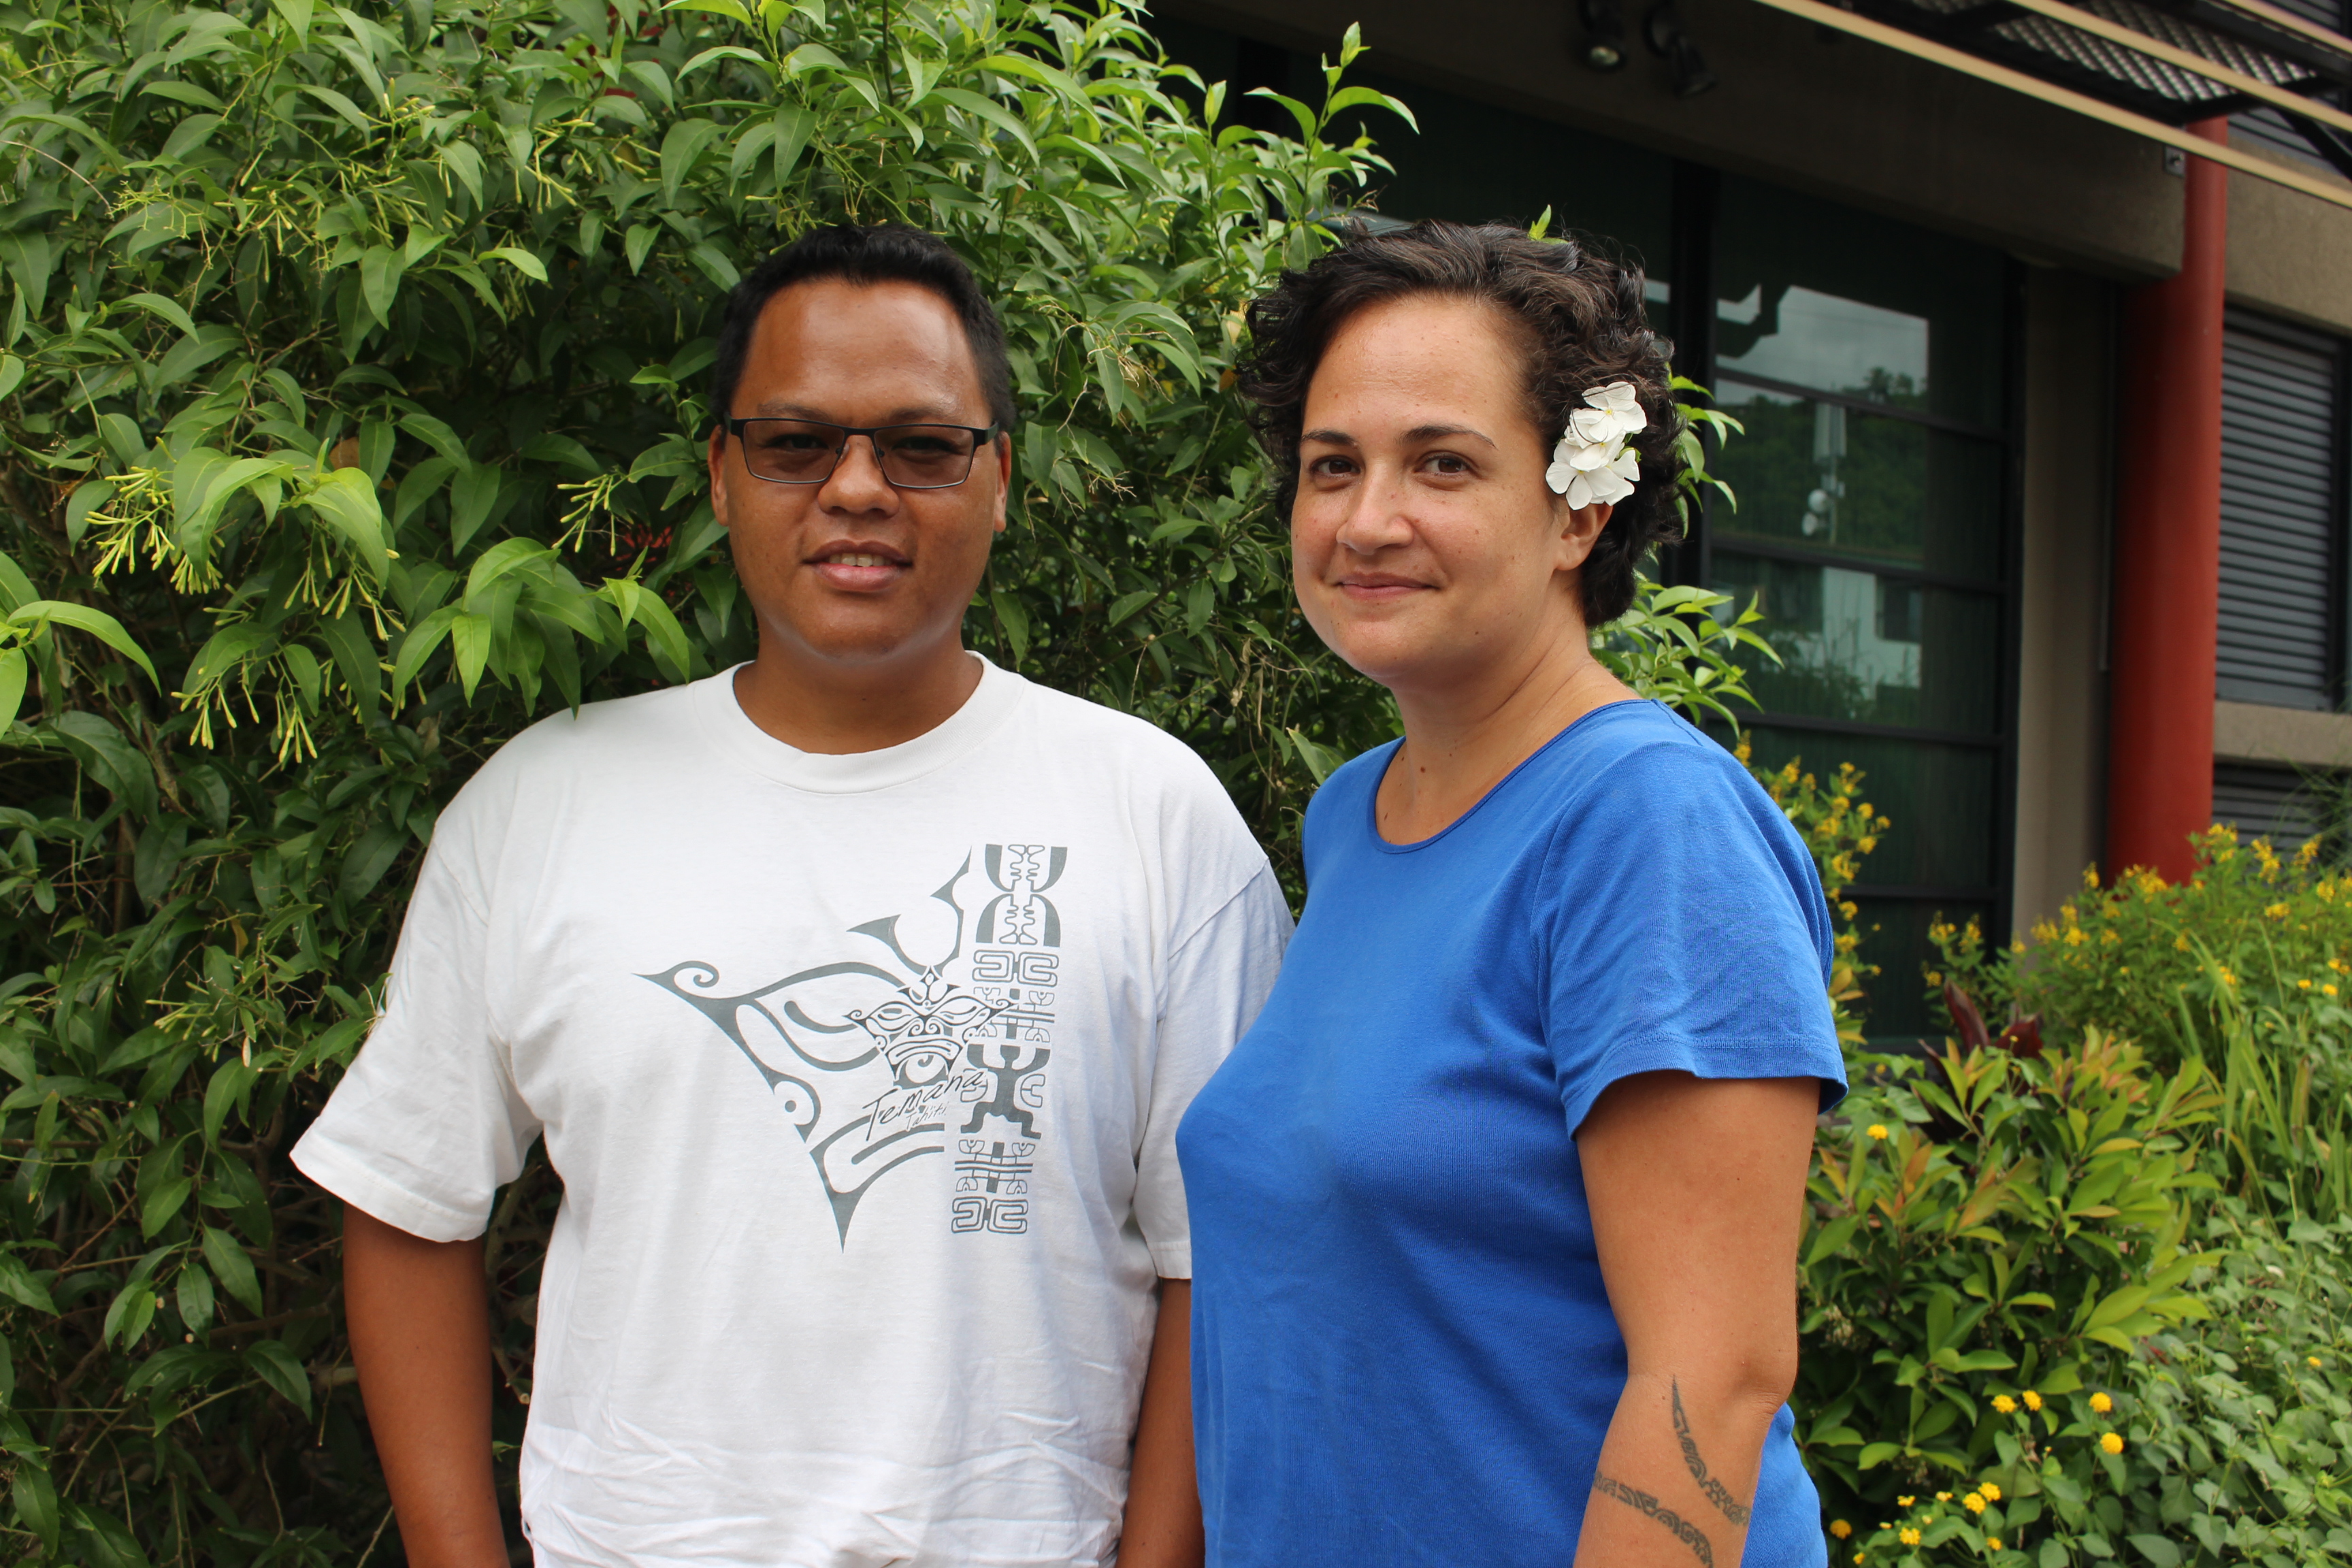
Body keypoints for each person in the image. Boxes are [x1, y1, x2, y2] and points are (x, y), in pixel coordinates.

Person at [292, 223, 1288, 1567]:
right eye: (797, 442)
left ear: (1000, 480)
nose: (860, 488)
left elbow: (1219, 1261)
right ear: (722, 474)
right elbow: (409, 1199)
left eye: (924, 445)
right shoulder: (546, 805)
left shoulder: (1154, 818)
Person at [1176, 220, 1846, 1567]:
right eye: (1331, 467)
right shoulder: (1354, 817)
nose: (1368, 520)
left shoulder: (1649, 826)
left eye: (1442, 463)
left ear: (1578, 507)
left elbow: (1712, 1380)